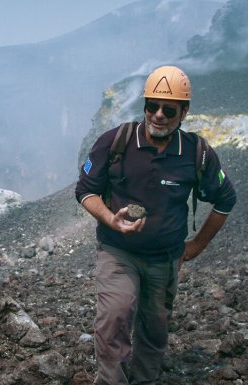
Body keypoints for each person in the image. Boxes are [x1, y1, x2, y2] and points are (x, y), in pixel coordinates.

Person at [75, 65, 237, 385]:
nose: (158, 115)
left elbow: (225, 200)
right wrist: (110, 219)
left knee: (154, 327)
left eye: (169, 109)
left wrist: (195, 247)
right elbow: (85, 190)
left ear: (184, 112)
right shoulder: (115, 141)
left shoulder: (196, 154)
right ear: (145, 106)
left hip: (165, 258)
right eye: (152, 106)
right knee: (115, 316)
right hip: (117, 250)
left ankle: (145, 381)